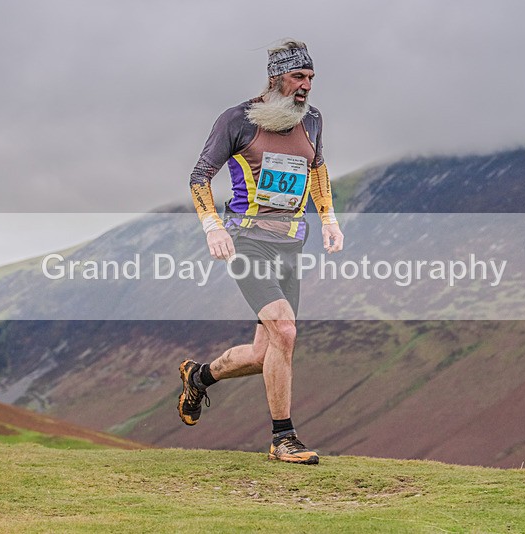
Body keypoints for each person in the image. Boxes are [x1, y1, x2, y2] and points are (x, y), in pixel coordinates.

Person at [178, 39, 344, 465]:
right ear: (276, 78)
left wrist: (328, 219)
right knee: (285, 332)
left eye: (310, 78)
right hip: (246, 241)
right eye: (297, 77)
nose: (305, 86)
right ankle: (282, 439)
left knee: (265, 351)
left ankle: (198, 377)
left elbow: (317, 169)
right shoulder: (238, 120)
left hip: (290, 244)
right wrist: (213, 227)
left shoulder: (313, 121)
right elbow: (199, 177)